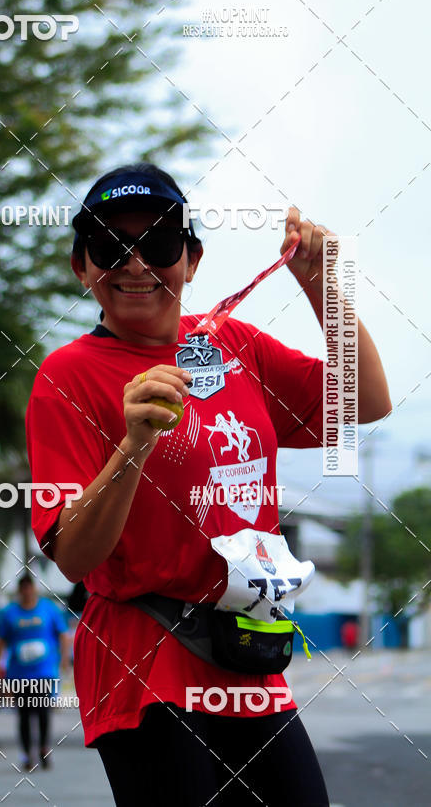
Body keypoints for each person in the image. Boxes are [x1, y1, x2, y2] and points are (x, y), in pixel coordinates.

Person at [27, 163, 392, 805]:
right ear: (83, 267)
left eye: (161, 245)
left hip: (243, 651)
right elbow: (75, 558)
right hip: (142, 660)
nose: (136, 265)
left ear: (191, 261)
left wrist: (323, 287)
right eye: (111, 248)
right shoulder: (68, 377)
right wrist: (133, 444)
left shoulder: (232, 346)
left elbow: (365, 400)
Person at [0, 574, 69, 770]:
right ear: (19, 592)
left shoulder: (48, 609)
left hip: (44, 672)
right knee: (25, 714)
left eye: (30, 588)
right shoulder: (9, 614)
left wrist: (64, 659)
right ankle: (27, 754)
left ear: (34, 589)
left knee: (43, 711)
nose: (27, 592)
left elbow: (63, 635)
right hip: (19, 673)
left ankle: (44, 749)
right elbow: (1, 642)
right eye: (23, 589)